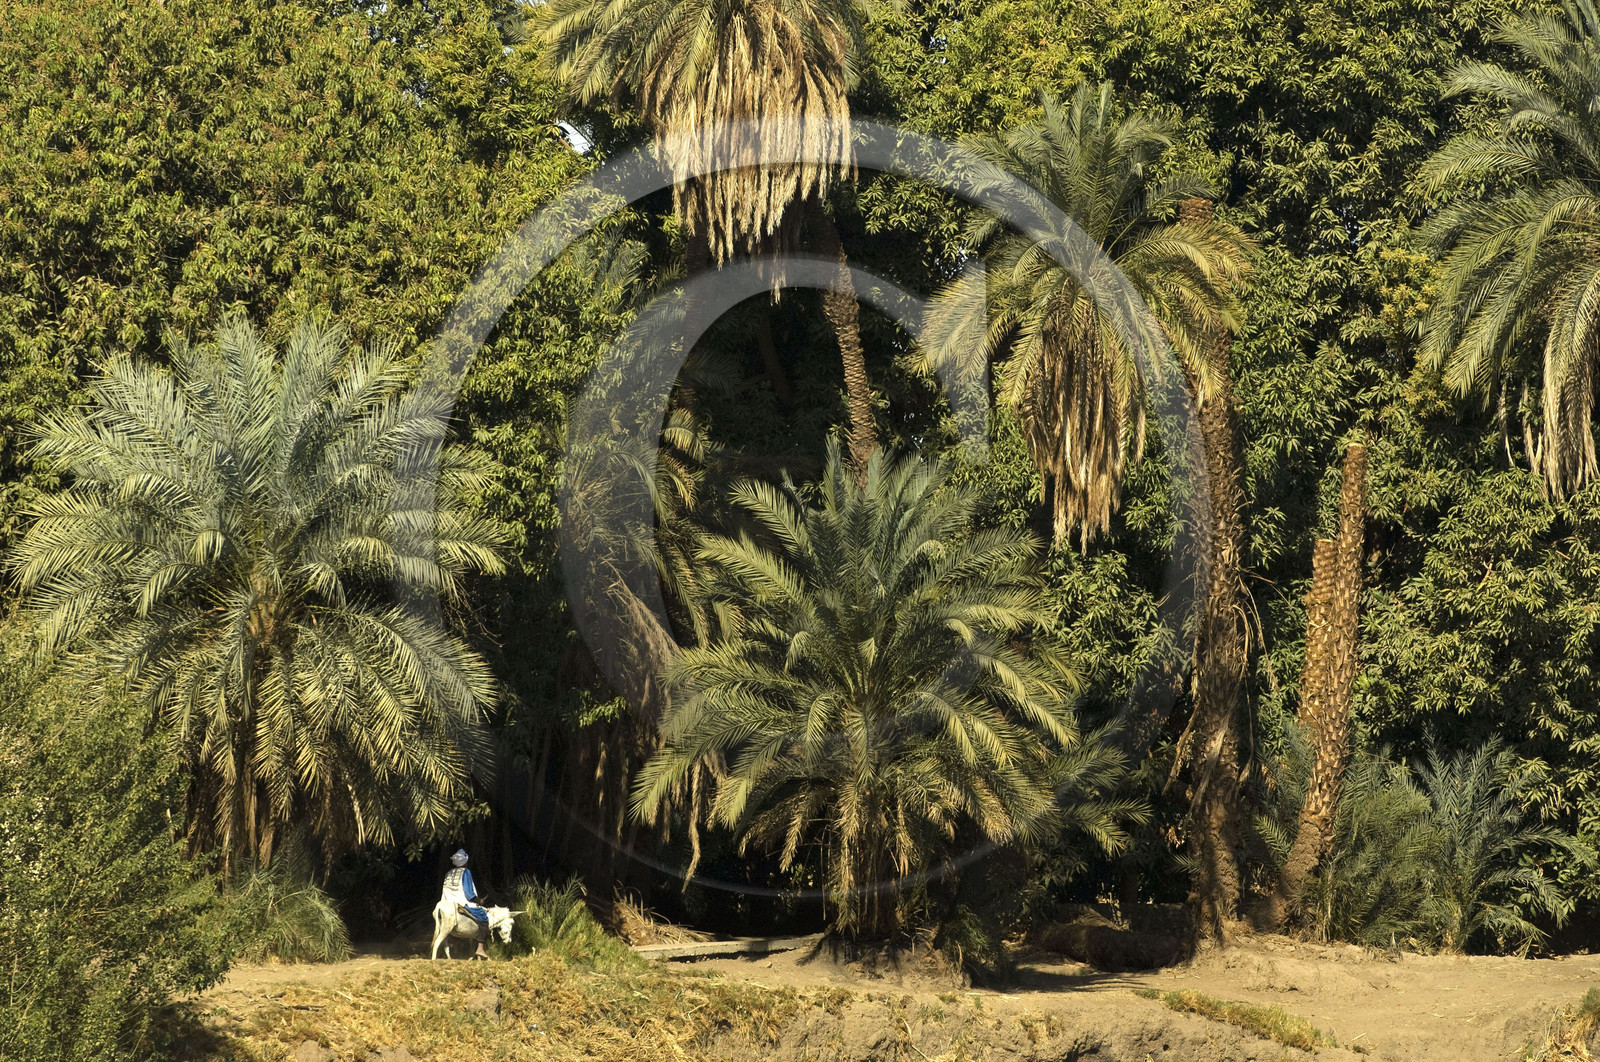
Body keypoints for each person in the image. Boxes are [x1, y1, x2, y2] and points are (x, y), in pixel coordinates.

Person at [441, 848, 491, 958]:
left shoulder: (449, 873)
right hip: (462, 903)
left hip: (447, 903)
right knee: (484, 918)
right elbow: (469, 894)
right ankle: (480, 948)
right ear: (465, 862)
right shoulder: (466, 872)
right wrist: (479, 900)